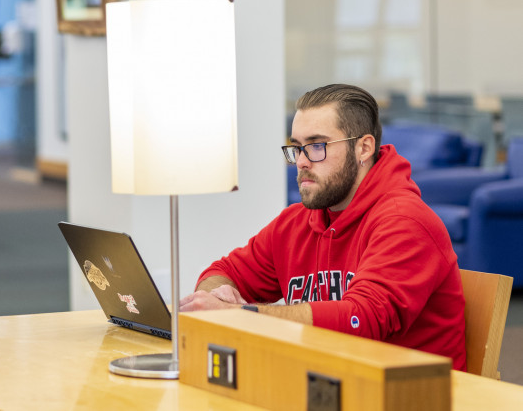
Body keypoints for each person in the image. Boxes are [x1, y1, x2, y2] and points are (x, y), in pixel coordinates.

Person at [180, 84, 467, 371]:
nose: (302, 162)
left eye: (317, 146)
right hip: (326, 385)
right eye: (297, 147)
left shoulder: (405, 221)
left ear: (363, 148)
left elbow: (363, 320)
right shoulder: (296, 221)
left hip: (410, 395)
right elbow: (223, 272)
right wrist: (216, 295)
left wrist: (242, 315)